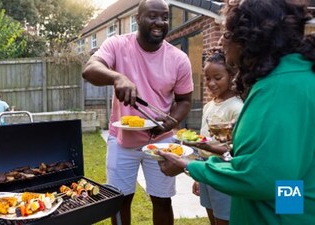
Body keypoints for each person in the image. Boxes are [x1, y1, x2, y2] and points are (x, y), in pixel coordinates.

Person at [158, 0, 315, 224]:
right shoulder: (294, 77)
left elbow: (267, 178)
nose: (221, 40)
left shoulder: (282, 88)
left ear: (249, 39)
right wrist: (227, 150)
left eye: (227, 33)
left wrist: (190, 166)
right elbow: (288, 171)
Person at [82, 0, 193, 224]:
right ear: (137, 19)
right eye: (153, 16)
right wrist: (117, 77)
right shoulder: (117, 44)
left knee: (162, 200)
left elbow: (185, 101)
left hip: (161, 142)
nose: (160, 22)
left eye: (164, 17)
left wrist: (170, 123)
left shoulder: (179, 59)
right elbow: (89, 69)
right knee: (120, 199)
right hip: (122, 140)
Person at [186, 47, 243, 225]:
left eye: (217, 78)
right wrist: (198, 176)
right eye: (207, 78)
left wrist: (207, 148)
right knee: (211, 214)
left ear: (232, 76)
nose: (211, 83)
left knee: (223, 219)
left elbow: (236, 148)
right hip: (205, 167)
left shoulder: (237, 107)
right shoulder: (208, 106)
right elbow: (204, 140)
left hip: (223, 169)